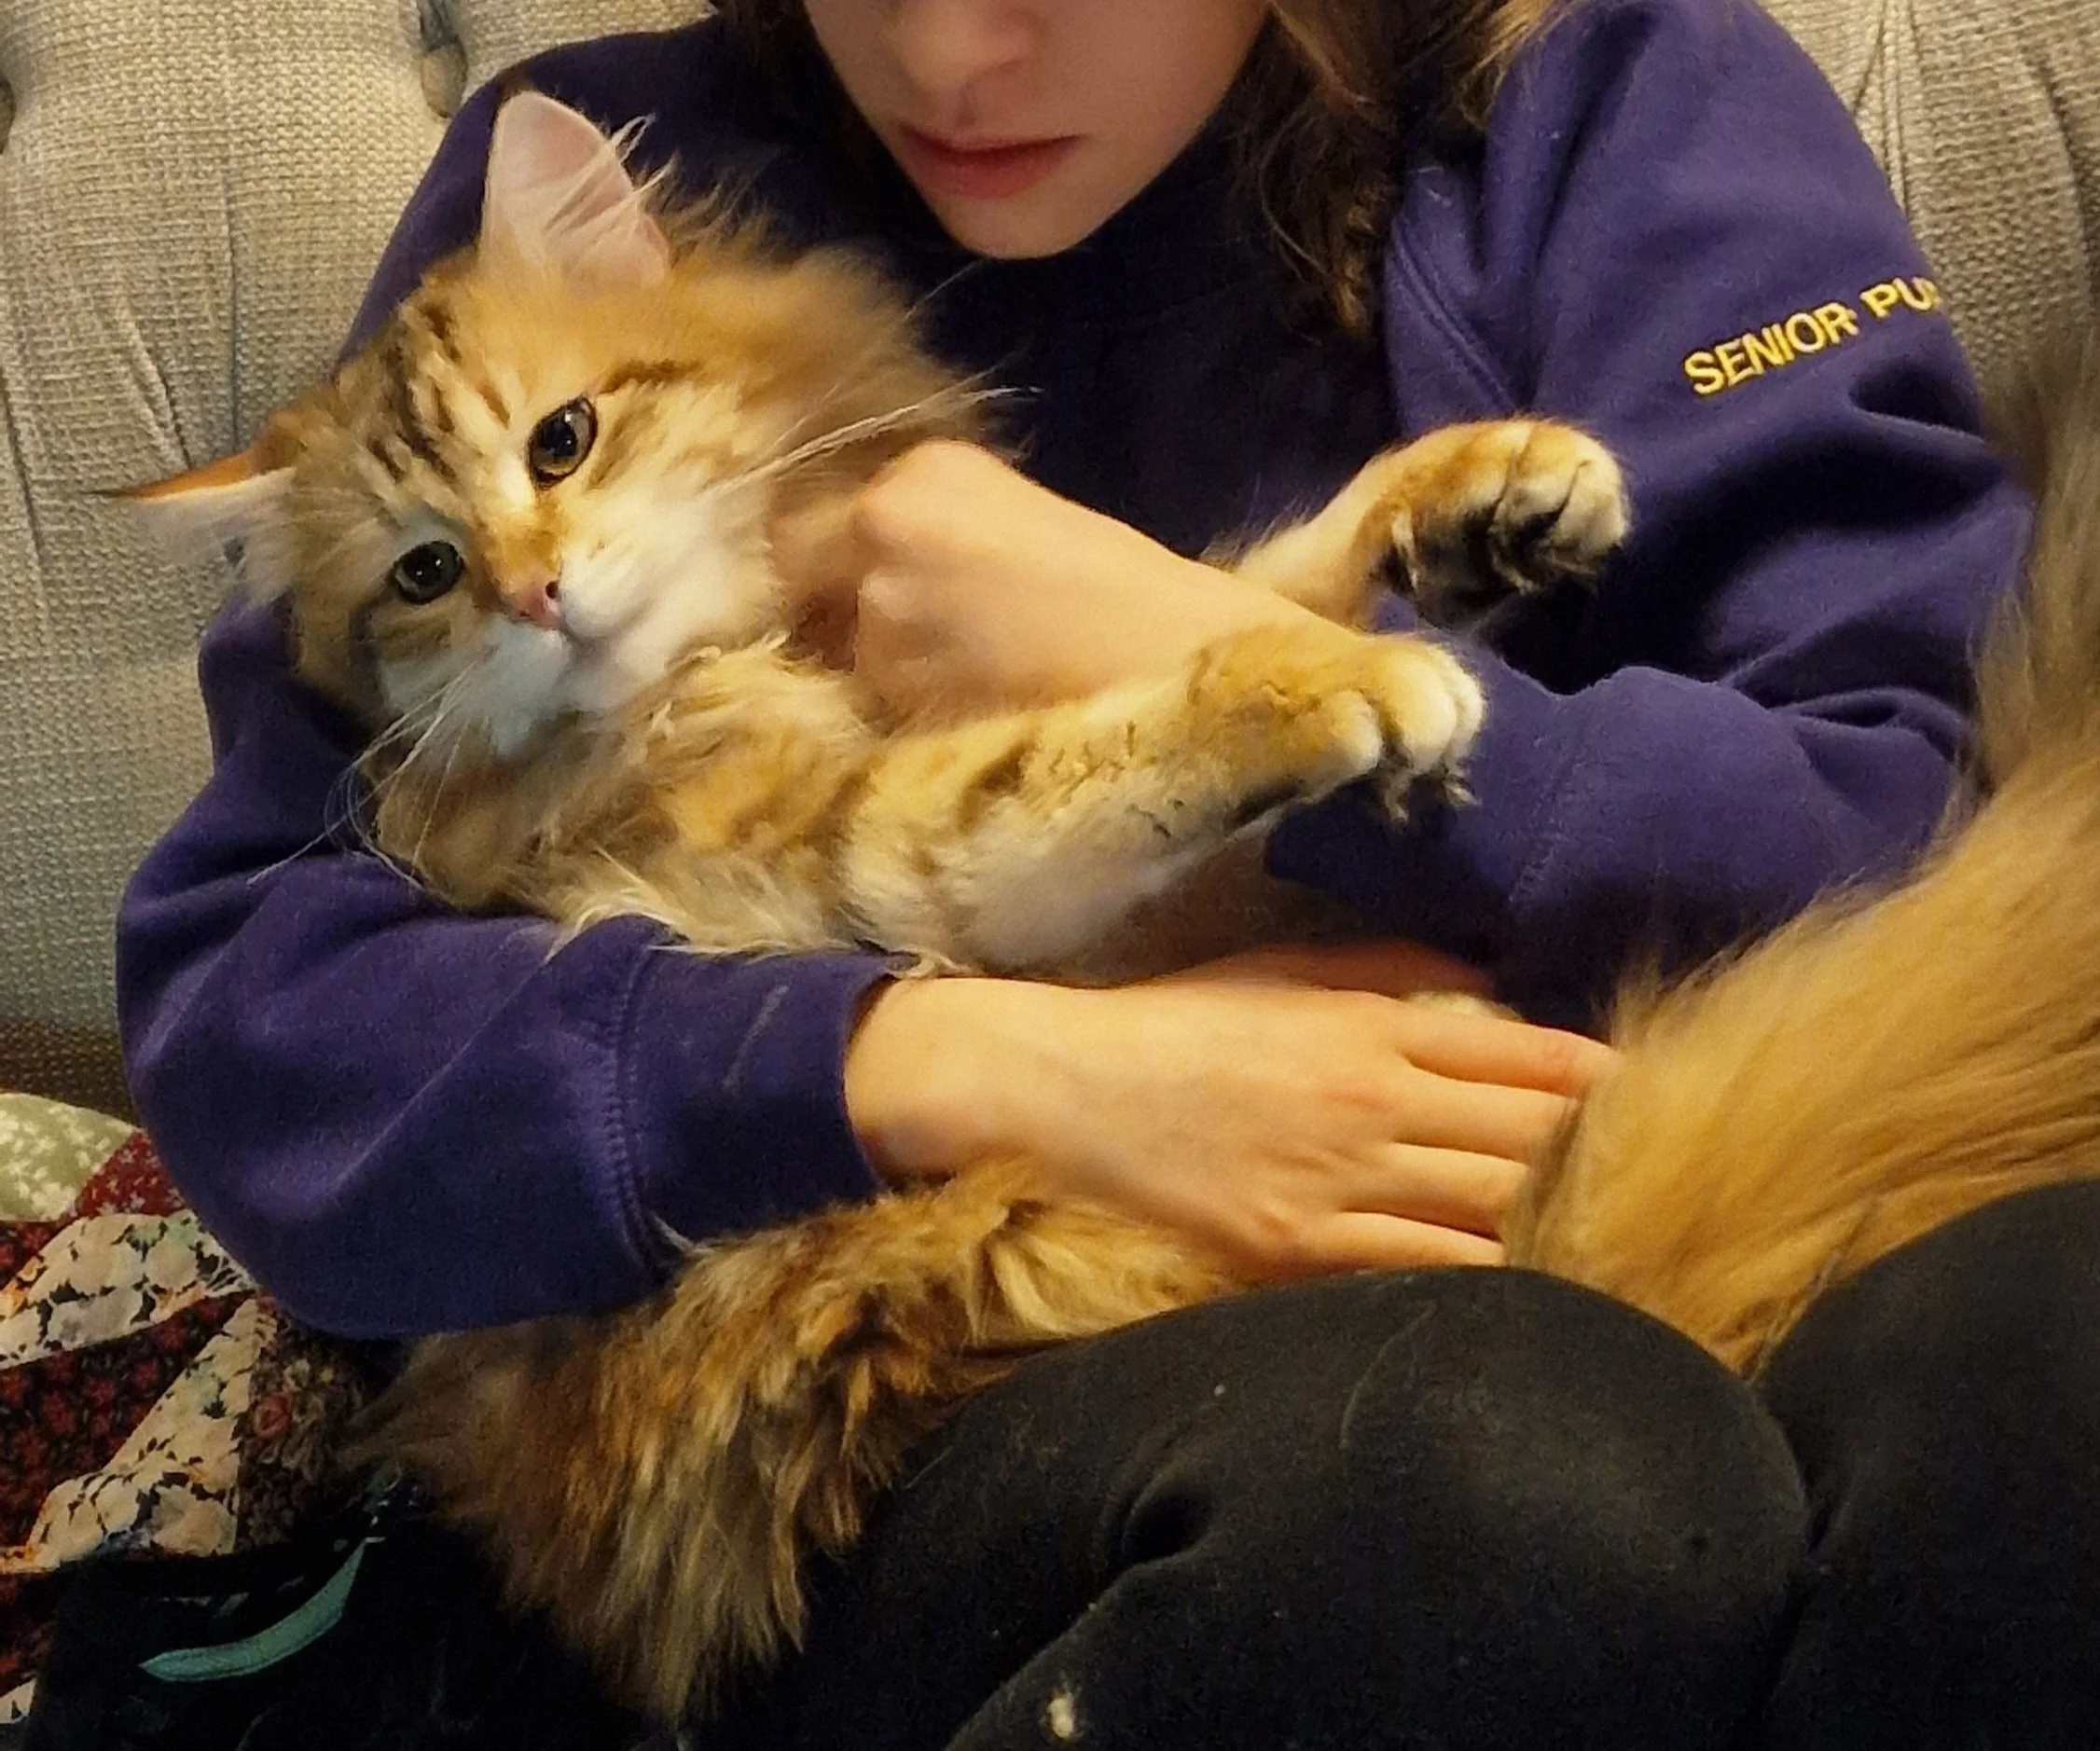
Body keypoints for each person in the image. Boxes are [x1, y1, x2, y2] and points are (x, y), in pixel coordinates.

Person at [95, 0, 2100, 1744]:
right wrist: (968, 1067)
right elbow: (269, 1007)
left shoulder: (1612, 92)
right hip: (972, 1375)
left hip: (1569, 1143)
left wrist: (1152, 641)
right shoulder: (601, 193)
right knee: (1490, 1476)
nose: (954, 54)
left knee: (2047, 1375)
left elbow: (1905, 820)